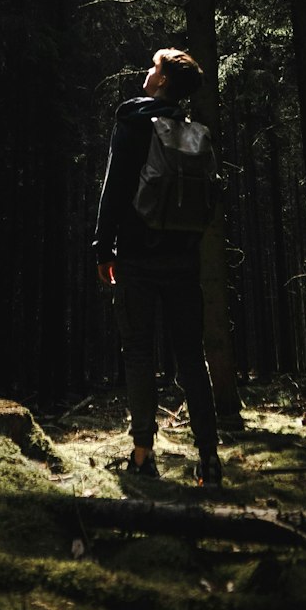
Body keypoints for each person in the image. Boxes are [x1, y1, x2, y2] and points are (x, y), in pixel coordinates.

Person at [94, 46, 222, 484]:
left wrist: (102, 246)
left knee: (139, 354)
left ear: (164, 80)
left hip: (136, 256)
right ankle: (209, 458)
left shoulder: (132, 122)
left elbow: (114, 187)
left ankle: (144, 456)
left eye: (154, 67)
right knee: (190, 356)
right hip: (182, 261)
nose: (148, 73)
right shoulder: (192, 133)